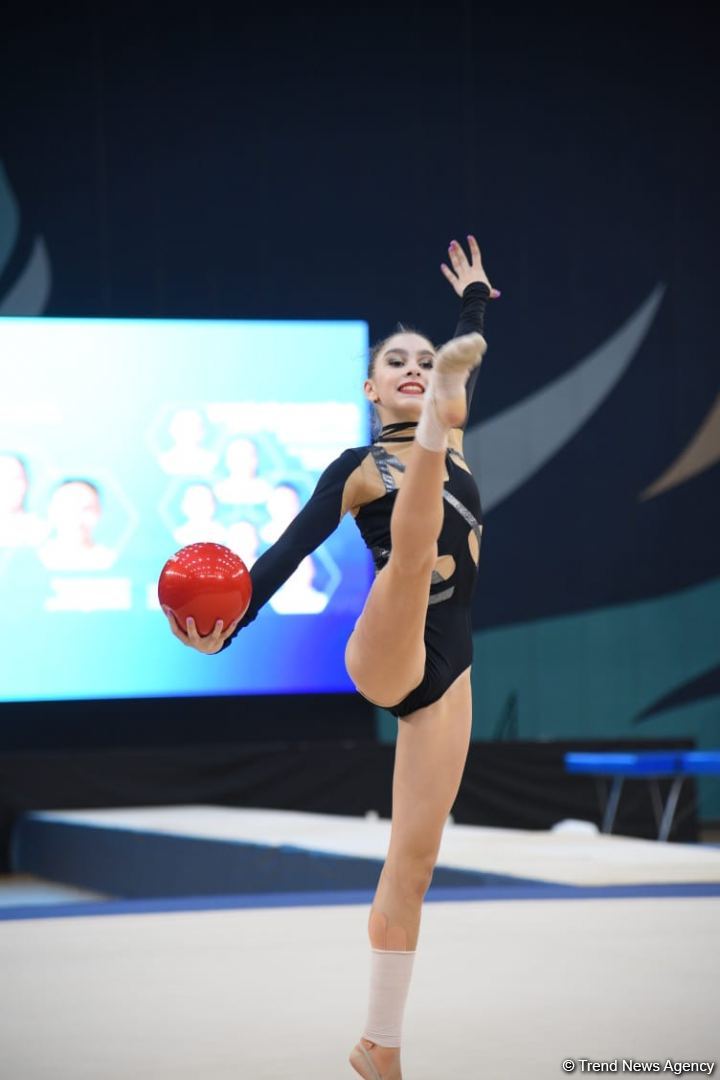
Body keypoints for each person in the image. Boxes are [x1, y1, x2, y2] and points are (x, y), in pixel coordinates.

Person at [164, 236, 497, 1080]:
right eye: (399, 363)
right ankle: (424, 435)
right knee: (414, 555)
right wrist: (225, 629)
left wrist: (477, 299)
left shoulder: (457, 444)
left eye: (429, 362)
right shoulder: (355, 468)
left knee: (413, 867)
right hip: (386, 646)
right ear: (371, 387)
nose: (415, 367)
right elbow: (276, 562)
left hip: (446, 674)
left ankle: (378, 1046)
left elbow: (460, 359)